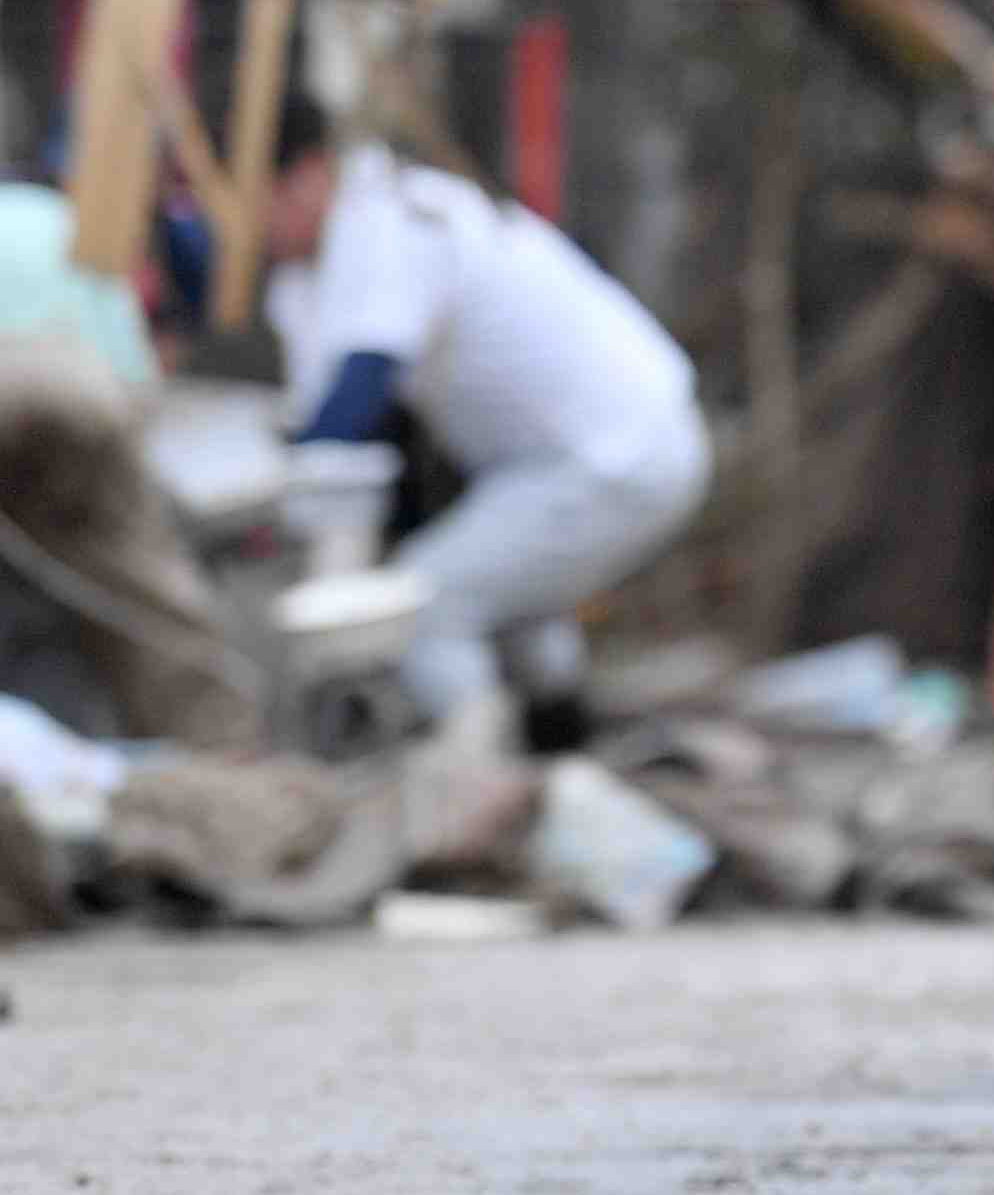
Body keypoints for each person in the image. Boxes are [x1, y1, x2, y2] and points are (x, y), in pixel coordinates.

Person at [260, 105, 708, 742]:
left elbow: (353, 402)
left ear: (305, 174)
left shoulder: (387, 224)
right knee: (508, 598)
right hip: (602, 451)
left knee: (421, 607)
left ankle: (481, 794)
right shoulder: (381, 216)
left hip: (612, 456)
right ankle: (562, 756)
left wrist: (284, 482)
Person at [0, 183, 256, 748]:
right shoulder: (63, 219)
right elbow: (130, 385)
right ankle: (218, 757)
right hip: (65, 384)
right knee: (141, 598)